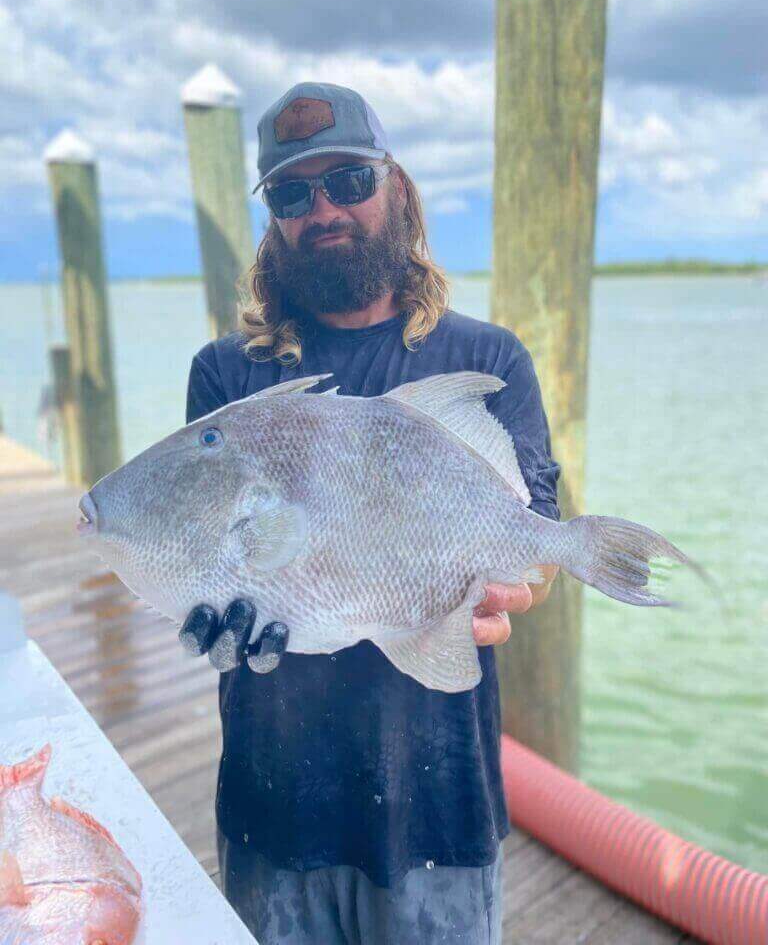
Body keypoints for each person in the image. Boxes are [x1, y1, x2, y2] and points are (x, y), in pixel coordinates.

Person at [181, 81, 561, 944]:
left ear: (398, 187)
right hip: (273, 806)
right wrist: (202, 602)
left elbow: (533, 540)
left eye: (348, 180)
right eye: (292, 193)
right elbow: (215, 548)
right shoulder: (225, 374)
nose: (324, 209)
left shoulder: (486, 358)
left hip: (439, 806)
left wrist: (507, 594)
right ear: (274, 220)